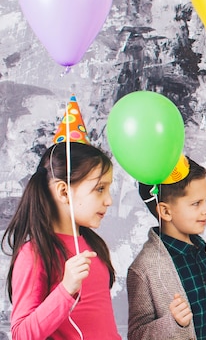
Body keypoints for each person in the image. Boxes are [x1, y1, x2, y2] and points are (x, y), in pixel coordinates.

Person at [1, 96, 121, 339]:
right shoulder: (35, 253)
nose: (108, 200)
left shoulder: (94, 245)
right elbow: (21, 334)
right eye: (99, 189)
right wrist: (66, 288)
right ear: (64, 191)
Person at [127, 155, 206, 340]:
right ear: (166, 211)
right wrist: (173, 323)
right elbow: (136, 335)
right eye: (196, 204)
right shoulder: (144, 268)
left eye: (205, 200)